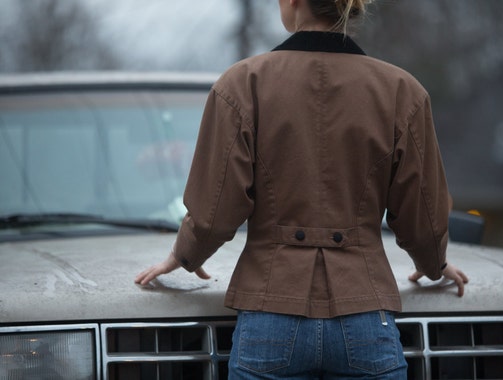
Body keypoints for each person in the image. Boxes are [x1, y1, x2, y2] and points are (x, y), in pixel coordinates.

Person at [135, 0, 469, 378]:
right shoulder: (402, 91)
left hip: (269, 315)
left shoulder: (243, 84)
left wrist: (183, 255)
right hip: (365, 315)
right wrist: (433, 263)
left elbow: (214, 213)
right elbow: (423, 216)